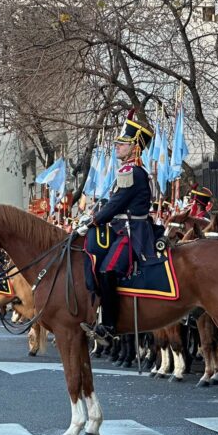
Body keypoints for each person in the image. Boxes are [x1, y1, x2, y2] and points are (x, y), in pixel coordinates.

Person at [77, 111, 154, 345]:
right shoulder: (126, 172)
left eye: (123, 143)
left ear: (135, 148)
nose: (117, 147)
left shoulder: (130, 171)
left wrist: (93, 221)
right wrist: (91, 214)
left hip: (131, 232)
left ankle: (110, 325)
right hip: (120, 229)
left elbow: (117, 205)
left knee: (107, 270)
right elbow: (111, 202)